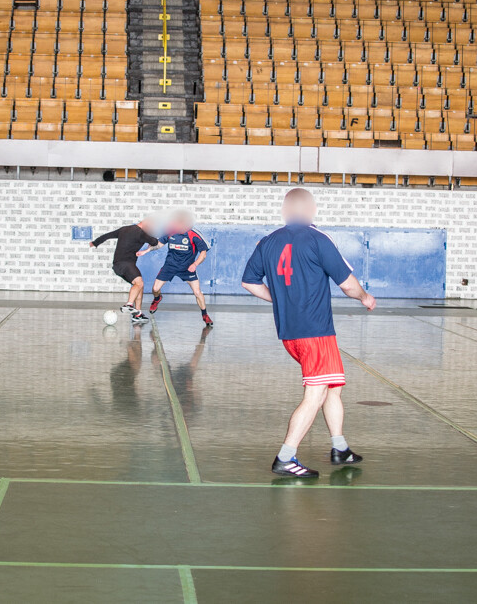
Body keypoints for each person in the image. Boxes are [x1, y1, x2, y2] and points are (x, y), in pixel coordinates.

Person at [241, 188, 376, 478]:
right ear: (312, 209)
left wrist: (280, 298)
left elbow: (249, 282)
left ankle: (340, 448)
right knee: (314, 396)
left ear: (284, 210)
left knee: (332, 387)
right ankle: (285, 457)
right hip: (315, 333)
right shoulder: (318, 239)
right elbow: (349, 285)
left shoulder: (268, 242)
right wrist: (365, 297)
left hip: (290, 332)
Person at [137, 210, 213, 325]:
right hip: (170, 266)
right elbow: (159, 244)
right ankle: (157, 298)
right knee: (155, 289)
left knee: (197, 292)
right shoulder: (171, 232)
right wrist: (147, 250)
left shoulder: (194, 234)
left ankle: (205, 315)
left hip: (187, 268)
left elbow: (203, 253)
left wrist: (195, 264)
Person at [90, 218, 159, 324]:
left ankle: (138, 314)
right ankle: (129, 304)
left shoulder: (124, 229)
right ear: (146, 225)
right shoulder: (141, 233)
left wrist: (95, 243)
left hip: (118, 265)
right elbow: (154, 241)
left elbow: (107, 235)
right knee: (138, 283)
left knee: (140, 286)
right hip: (126, 264)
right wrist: (150, 241)